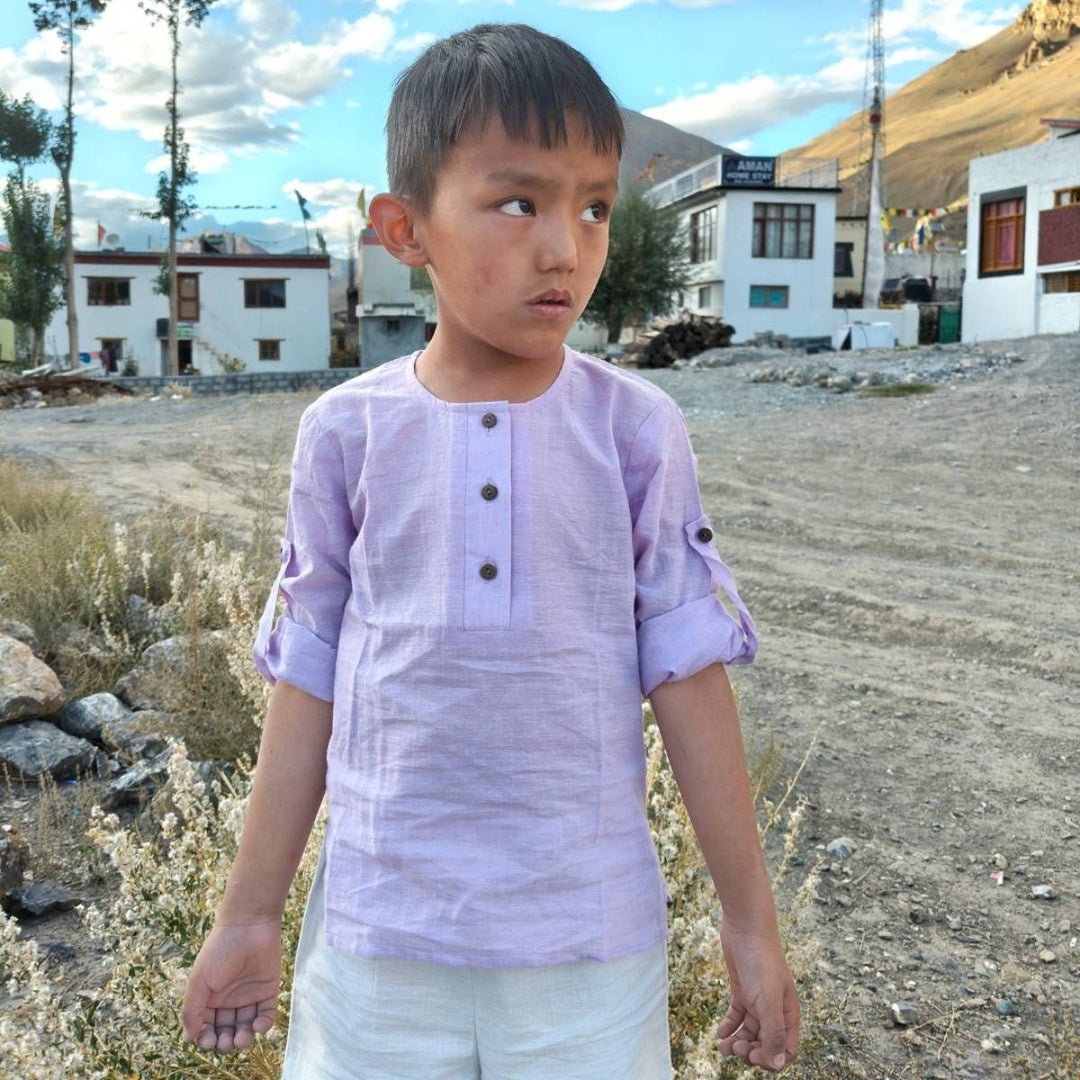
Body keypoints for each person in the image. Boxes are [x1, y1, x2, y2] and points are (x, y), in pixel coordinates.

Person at [181, 23, 799, 1078]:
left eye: (594, 206)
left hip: (587, 954)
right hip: (377, 945)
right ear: (404, 227)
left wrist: (751, 923)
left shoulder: (634, 430)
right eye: (520, 202)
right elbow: (310, 678)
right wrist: (249, 915)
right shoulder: (344, 432)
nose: (566, 247)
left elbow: (688, 675)